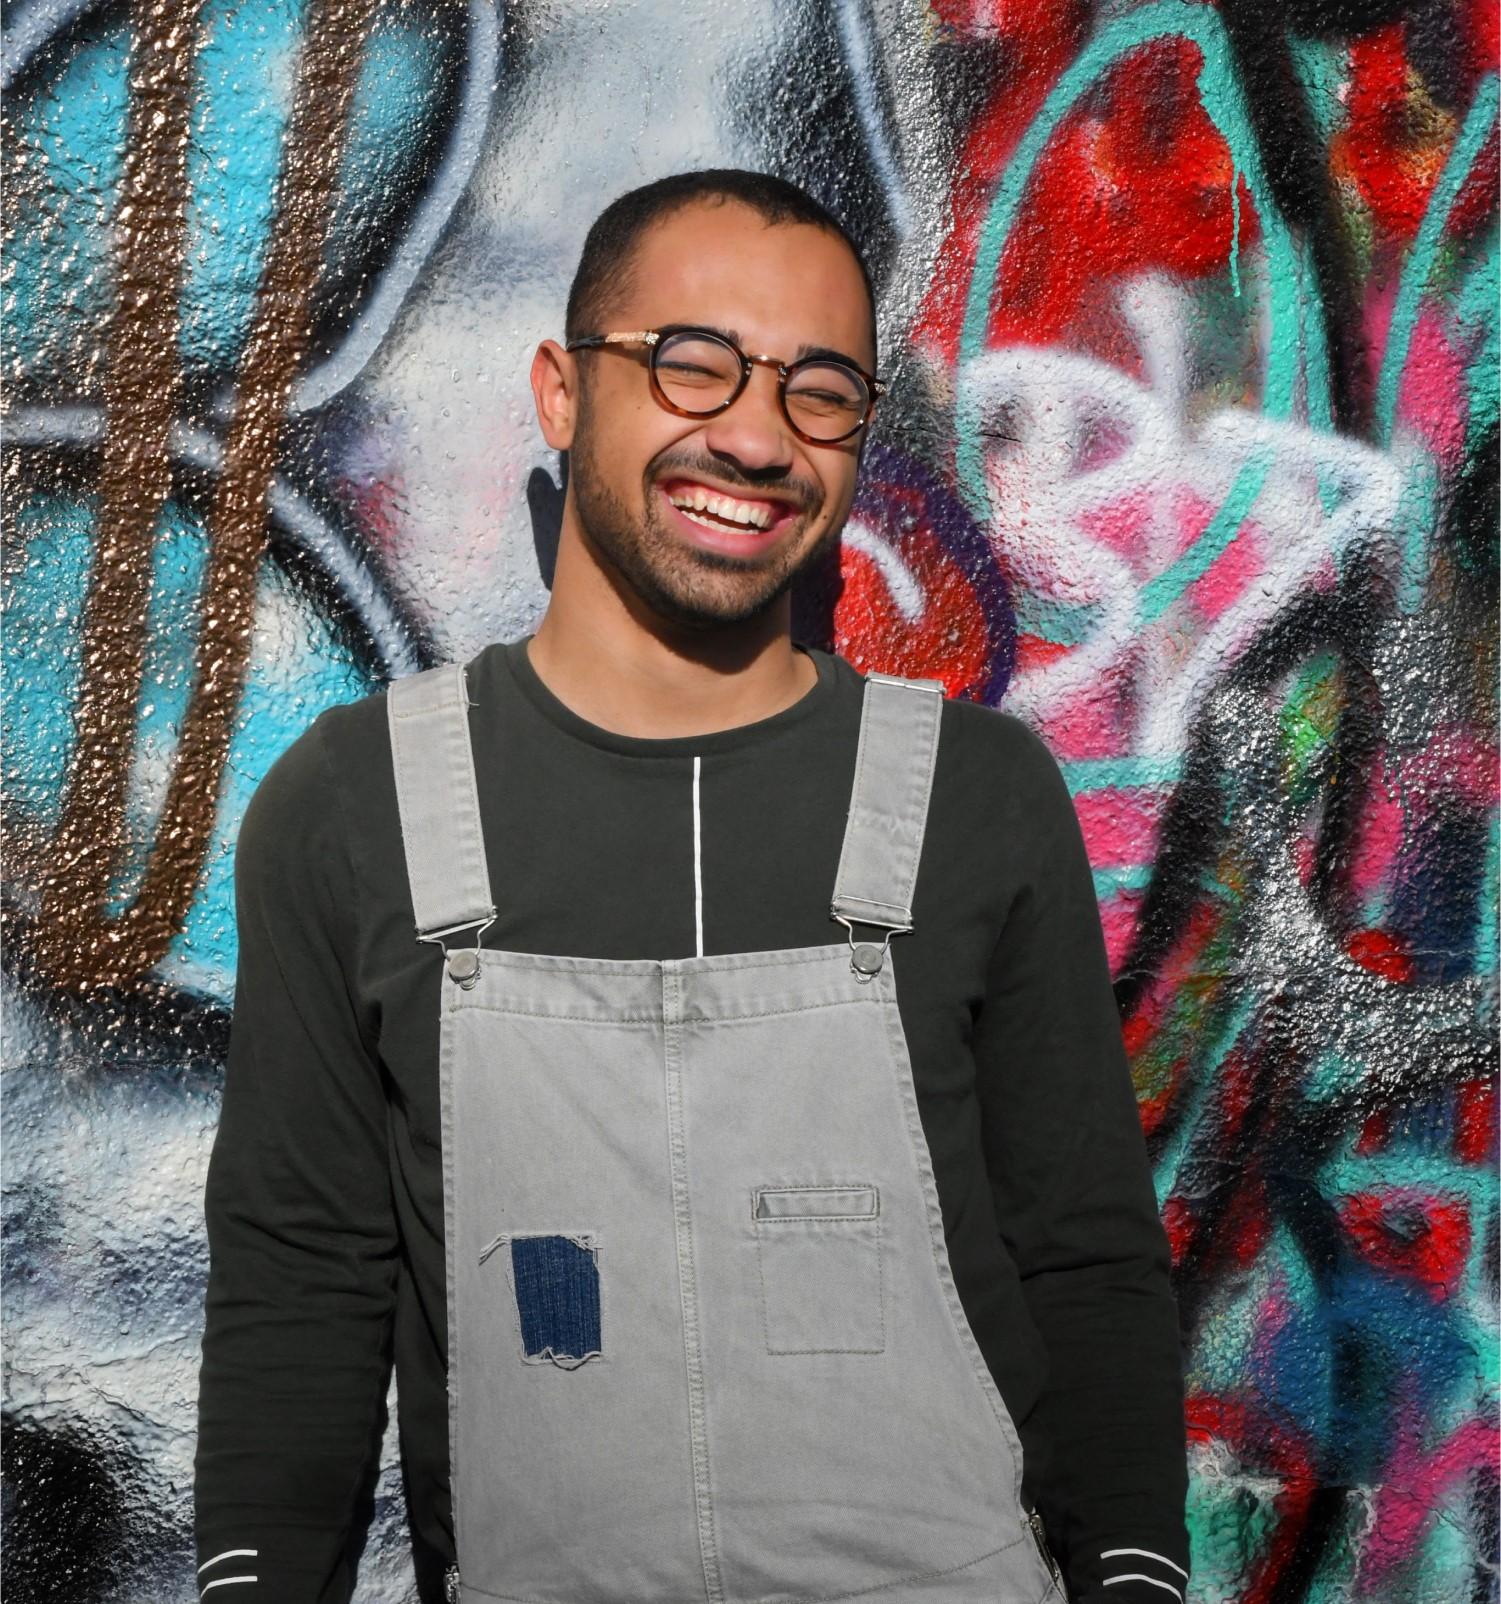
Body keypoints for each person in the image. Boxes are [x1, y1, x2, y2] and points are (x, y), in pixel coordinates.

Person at [194, 168, 1190, 1604]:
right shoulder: (357, 809)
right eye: (691, 364)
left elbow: (1085, 1263)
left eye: (819, 391)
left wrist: (1140, 1578)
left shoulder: (973, 799)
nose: (754, 436)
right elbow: (301, 1289)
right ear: (559, 390)